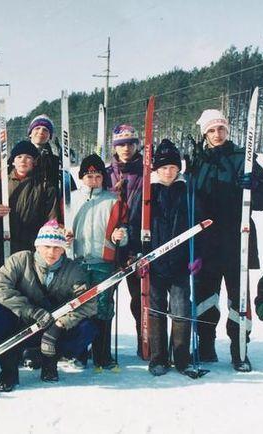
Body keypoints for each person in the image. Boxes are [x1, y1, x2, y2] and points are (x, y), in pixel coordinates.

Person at [189, 109, 263, 372]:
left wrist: (254, 187)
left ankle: (240, 349)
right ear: (204, 133)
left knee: (239, 299)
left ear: (228, 130)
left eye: (221, 129)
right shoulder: (197, 160)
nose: (217, 134)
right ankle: (205, 346)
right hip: (207, 242)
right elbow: (191, 199)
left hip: (238, 239)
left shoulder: (243, 158)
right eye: (212, 130)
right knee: (205, 297)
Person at [0, 220, 96, 392]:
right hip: (21, 325)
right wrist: (29, 310)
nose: (51, 252)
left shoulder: (73, 270)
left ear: (63, 249)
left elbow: (88, 303)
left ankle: (49, 361)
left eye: (57, 247)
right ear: (37, 246)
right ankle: (8, 372)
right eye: (46, 246)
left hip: (53, 330)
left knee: (87, 327)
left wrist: (59, 325)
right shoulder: (20, 260)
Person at [131, 140, 193, 376]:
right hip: (154, 263)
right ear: (156, 170)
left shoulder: (187, 193)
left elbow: (200, 227)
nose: (168, 172)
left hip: (180, 264)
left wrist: (195, 258)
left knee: (180, 309)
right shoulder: (147, 193)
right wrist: (137, 253)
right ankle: (158, 358)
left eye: (173, 167)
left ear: (179, 169)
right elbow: (135, 223)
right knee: (155, 310)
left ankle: (182, 357)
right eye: (164, 168)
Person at [66, 153, 127, 369]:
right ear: (82, 177)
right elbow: (59, 227)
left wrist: (120, 235)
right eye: (89, 176)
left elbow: (122, 227)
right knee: (80, 306)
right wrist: (64, 237)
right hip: (78, 262)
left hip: (103, 261)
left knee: (103, 307)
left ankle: (102, 354)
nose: (94, 180)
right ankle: (80, 352)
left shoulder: (113, 201)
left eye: (98, 176)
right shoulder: (71, 199)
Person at [106, 124, 146, 358]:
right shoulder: (106, 172)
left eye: (131, 143)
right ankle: (101, 349)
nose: (126, 148)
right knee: (105, 298)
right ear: (115, 147)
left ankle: (145, 343)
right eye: (121, 144)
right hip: (111, 244)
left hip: (137, 244)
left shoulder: (146, 171)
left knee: (139, 298)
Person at [0, 140, 60, 268]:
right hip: (6, 243)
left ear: (34, 162)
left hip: (32, 244)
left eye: (28, 157)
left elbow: (52, 217)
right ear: (13, 161)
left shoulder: (44, 185)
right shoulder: (2, 182)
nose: (23, 160)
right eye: (19, 157)